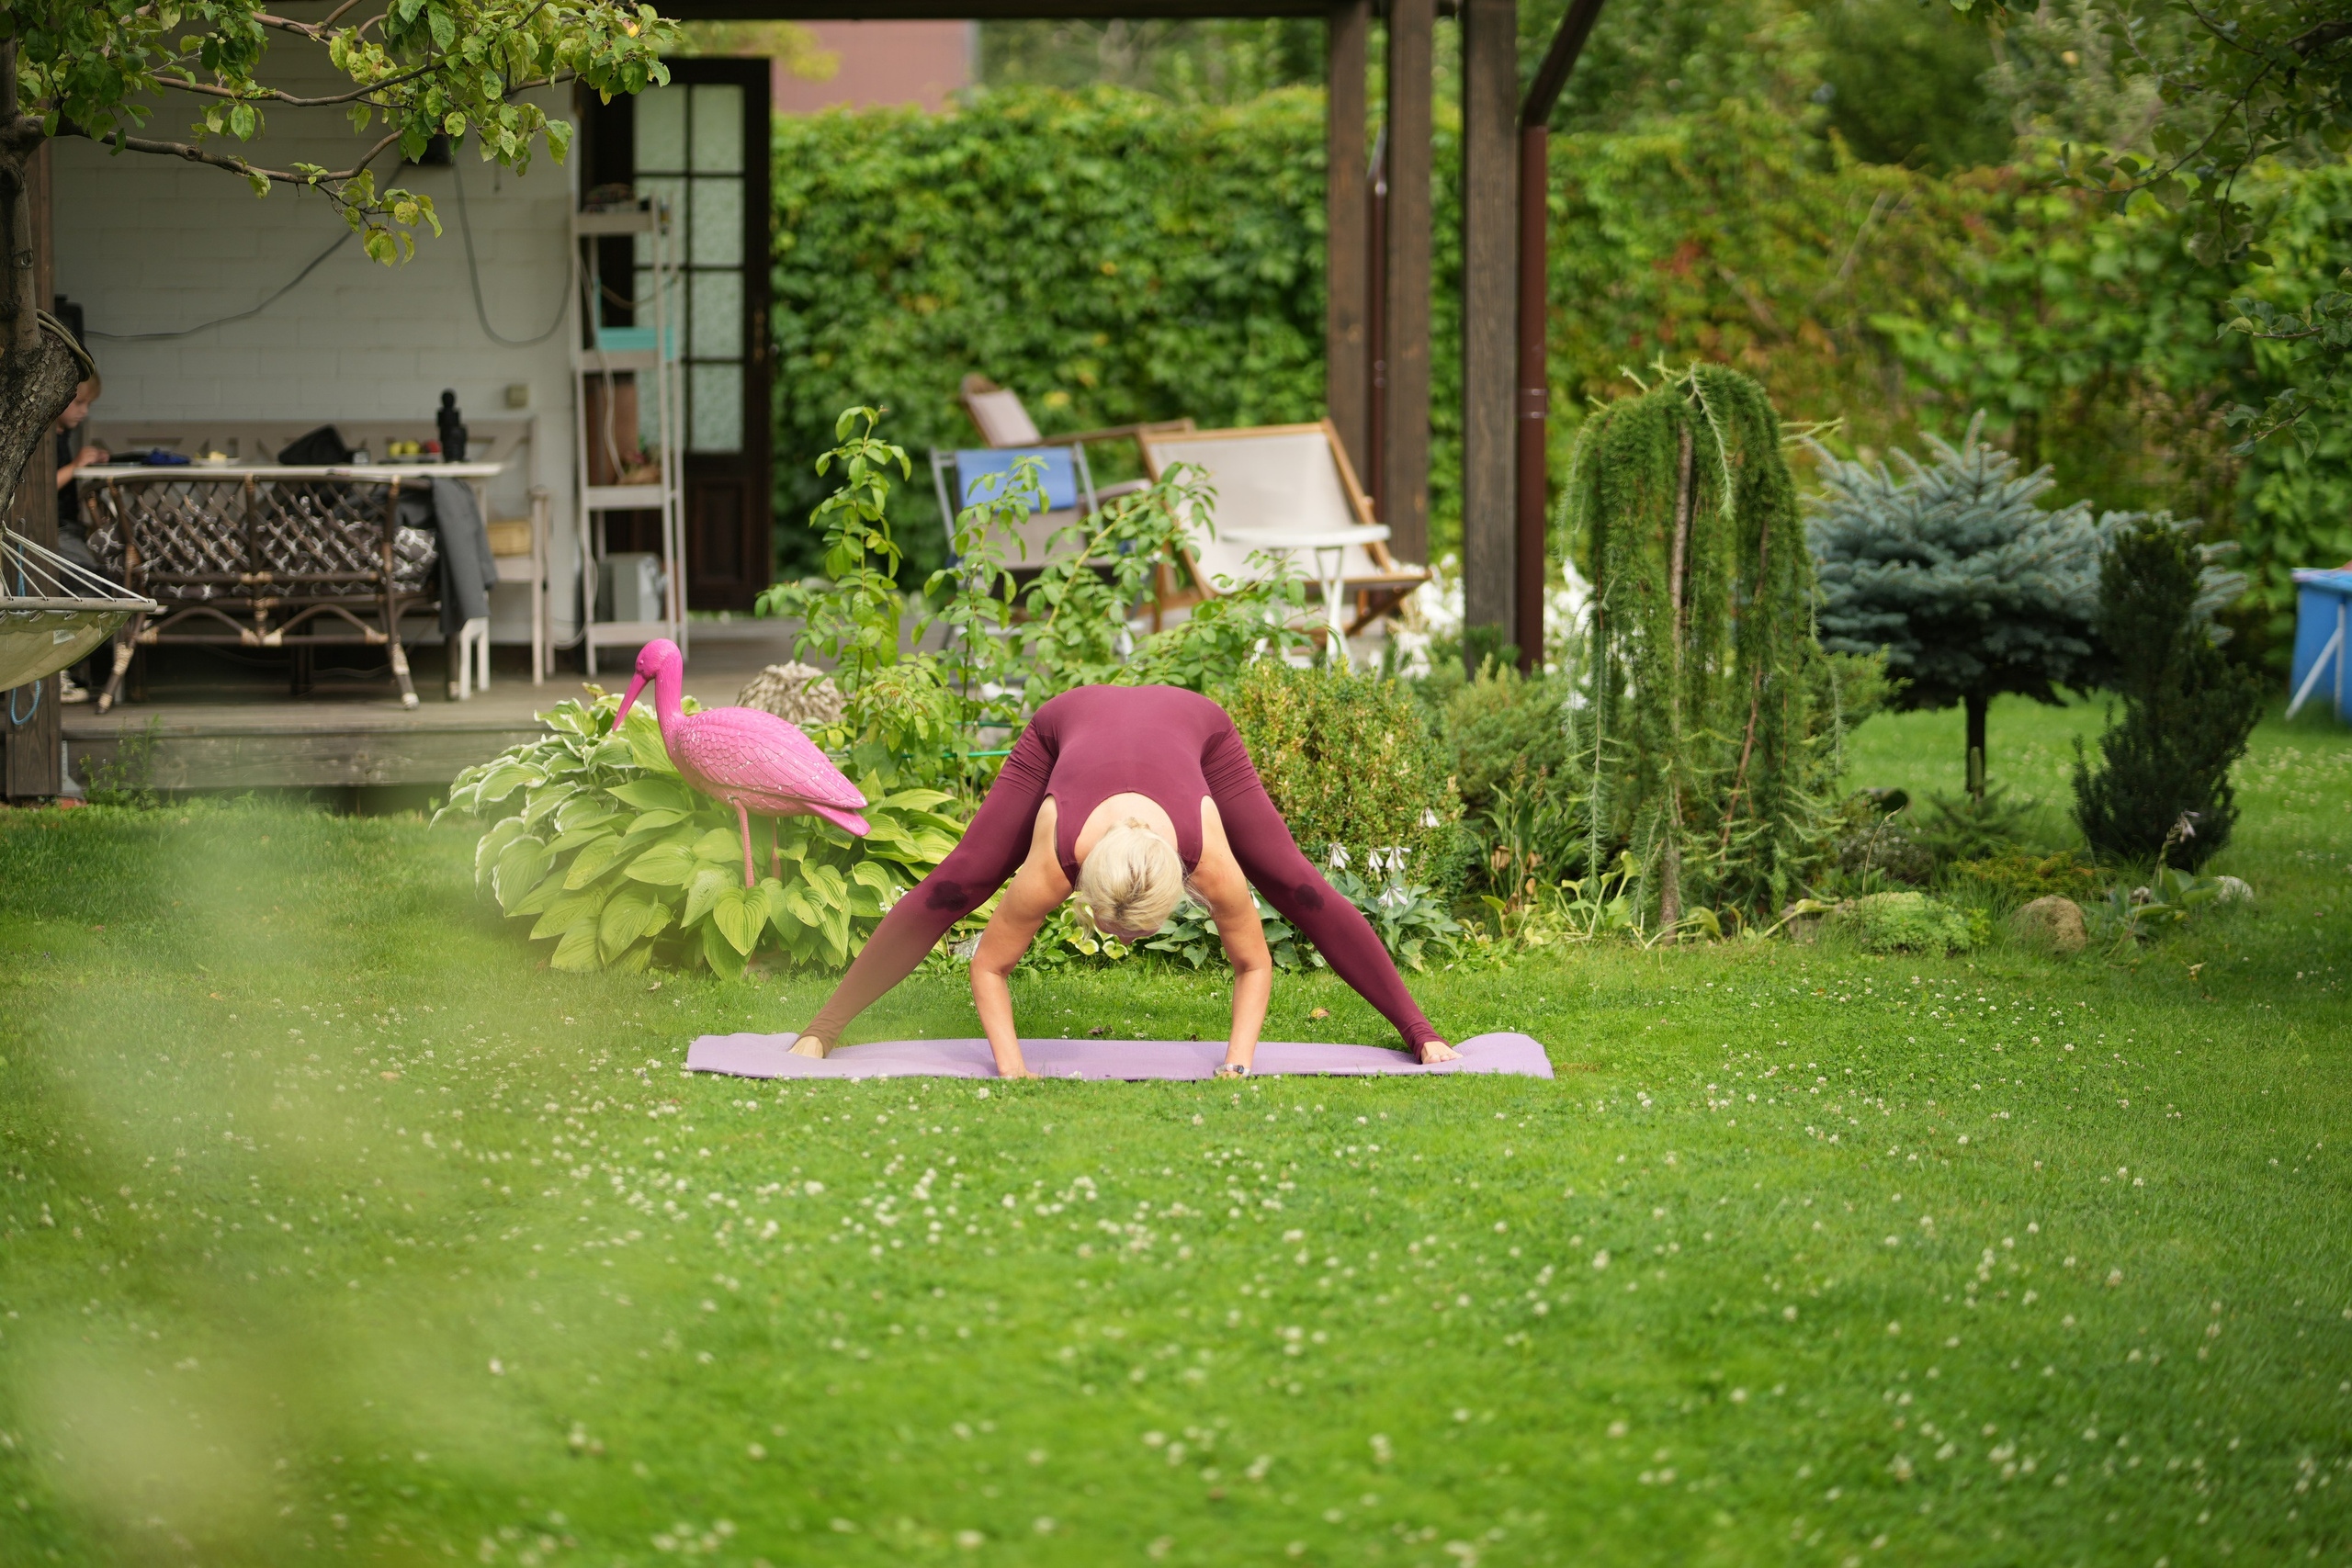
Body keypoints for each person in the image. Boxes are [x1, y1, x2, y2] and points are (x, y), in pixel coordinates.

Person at [790, 683, 1457, 1079]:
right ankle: (823, 1026)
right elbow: (990, 965)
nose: (1124, 944)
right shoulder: (1055, 858)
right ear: (1080, 889)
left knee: (1296, 884)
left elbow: (1253, 962)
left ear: (1182, 882)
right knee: (961, 878)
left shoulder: (1207, 854)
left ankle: (1421, 1030)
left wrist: (1239, 1064)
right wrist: (1012, 1068)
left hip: (1196, 727)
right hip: (1068, 726)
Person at [51, 372, 109, 705]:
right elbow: (41, 487)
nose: (84, 411)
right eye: (79, 402)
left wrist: (89, 461)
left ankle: (80, 670)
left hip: (68, 527)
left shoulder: (63, 434)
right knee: (86, 576)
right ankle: (61, 671)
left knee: (101, 571)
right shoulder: (43, 437)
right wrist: (75, 465)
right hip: (50, 530)